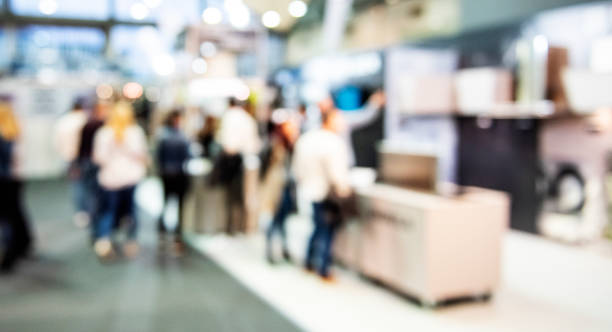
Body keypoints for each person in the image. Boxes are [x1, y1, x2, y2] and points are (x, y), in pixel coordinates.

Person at [292, 110, 352, 281]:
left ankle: (309, 262)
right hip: (326, 193)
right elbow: (337, 174)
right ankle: (324, 268)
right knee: (326, 229)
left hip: (309, 190)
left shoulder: (307, 138)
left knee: (317, 226)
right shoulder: (333, 142)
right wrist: (344, 190)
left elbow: (297, 168)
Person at [92, 102, 148, 260]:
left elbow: (98, 158)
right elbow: (142, 155)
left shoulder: (104, 133)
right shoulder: (135, 132)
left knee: (108, 211)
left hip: (110, 179)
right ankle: (131, 241)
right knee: (130, 211)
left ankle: (104, 241)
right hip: (130, 177)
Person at [214, 98, 261, 235]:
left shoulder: (230, 116)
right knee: (246, 196)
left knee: (231, 196)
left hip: (234, 160)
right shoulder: (248, 119)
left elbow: (226, 142)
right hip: (249, 161)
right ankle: (246, 227)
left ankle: (231, 226)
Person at [0, 102, 33, 272]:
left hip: (4, 180)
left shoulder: (4, 137)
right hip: (14, 180)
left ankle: (10, 254)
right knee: (15, 214)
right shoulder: (14, 133)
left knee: (7, 219)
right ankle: (23, 244)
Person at [265, 111, 300, 264]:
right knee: (275, 219)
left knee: (283, 220)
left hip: (287, 187)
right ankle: (271, 249)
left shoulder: (289, 144)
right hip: (277, 188)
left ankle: (284, 248)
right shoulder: (275, 144)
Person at [317, 91, 385, 166]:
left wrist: (374, 103)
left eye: (326, 100)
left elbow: (364, 116)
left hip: (344, 162)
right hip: (324, 164)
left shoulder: (340, 117)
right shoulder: (315, 123)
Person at [156, 110, 190, 251]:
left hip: (167, 173)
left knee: (166, 202)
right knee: (178, 205)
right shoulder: (181, 136)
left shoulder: (163, 135)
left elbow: (158, 156)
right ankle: (176, 235)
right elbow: (188, 155)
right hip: (178, 173)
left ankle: (163, 232)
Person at [76, 102, 109, 242]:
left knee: (90, 194)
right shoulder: (103, 128)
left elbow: (81, 147)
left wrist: (78, 163)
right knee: (97, 197)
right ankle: (97, 227)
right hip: (96, 164)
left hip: (87, 163)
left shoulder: (87, 125)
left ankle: (93, 224)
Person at [53, 98, 88, 228]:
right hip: (85, 158)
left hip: (69, 158)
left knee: (76, 185)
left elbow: (57, 142)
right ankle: (89, 211)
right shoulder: (86, 120)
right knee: (88, 186)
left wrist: (65, 154)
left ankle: (81, 213)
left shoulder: (63, 121)